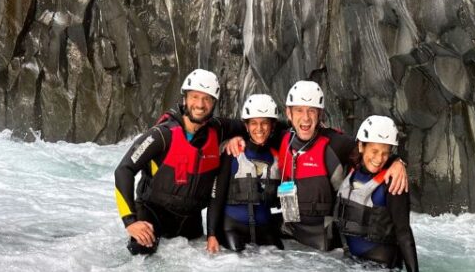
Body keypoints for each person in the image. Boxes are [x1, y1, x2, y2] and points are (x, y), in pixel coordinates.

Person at [114, 69, 245, 255]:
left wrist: (237, 137)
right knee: (140, 253)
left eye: (207, 99)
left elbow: (254, 128)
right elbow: (124, 170)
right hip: (153, 213)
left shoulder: (219, 130)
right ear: (185, 99)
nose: (200, 104)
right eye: (194, 97)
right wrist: (130, 221)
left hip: (190, 220)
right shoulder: (161, 135)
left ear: (214, 103)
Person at [276, 81, 408, 251]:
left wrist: (397, 161)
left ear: (320, 114)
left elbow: (372, 154)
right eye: (299, 110)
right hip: (288, 235)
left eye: (312, 111)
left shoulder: (337, 143)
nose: (306, 117)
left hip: (324, 242)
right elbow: (250, 130)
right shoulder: (281, 138)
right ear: (289, 113)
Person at [334, 115, 426, 272]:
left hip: (381, 269)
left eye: (385, 153)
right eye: (374, 151)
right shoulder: (352, 169)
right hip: (353, 262)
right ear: (361, 146)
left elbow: (403, 231)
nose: (379, 159)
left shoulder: (393, 182)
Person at [206, 94, 283, 253]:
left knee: (279, 263)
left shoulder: (278, 156)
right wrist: (211, 234)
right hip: (233, 228)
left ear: (272, 125)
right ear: (246, 126)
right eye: (253, 123)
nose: (259, 129)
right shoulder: (232, 152)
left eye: (264, 123)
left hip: (265, 229)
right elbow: (216, 196)